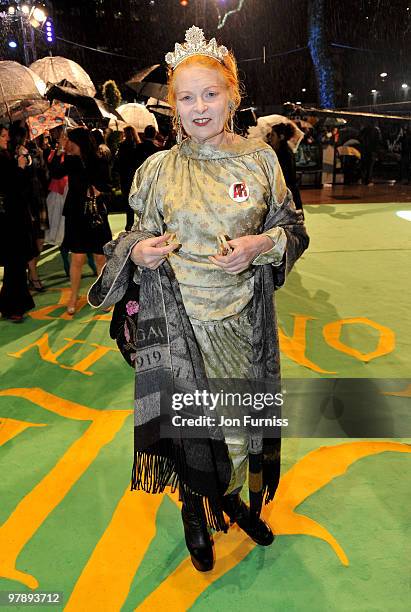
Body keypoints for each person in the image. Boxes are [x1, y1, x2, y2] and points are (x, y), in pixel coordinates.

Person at [89, 26, 308, 572]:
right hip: (181, 330)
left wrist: (264, 243)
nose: (199, 106)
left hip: (244, 327)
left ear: (232, 97)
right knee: (191, 431)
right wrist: (139, 252)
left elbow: (293, 227)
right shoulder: (157, 171)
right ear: (173, 107)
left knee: (237, 432)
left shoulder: (261, 163)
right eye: (185, 97)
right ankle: (196, 509)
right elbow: (131, 236)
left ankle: (229, 497)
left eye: (210, 93)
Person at [50, 128, 112, 314]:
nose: (67, 143)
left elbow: (108, 185)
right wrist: (60, 150)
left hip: (95, 213)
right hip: (76, 214)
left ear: (79, 142)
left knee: (100, 257)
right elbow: (55, 173)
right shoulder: (70, 160)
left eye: (69, 141)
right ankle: (73, 296)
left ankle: (103, 296)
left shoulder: (98, 158)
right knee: (77, 257)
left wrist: (100, 191)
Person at [0, 125, 36, 322]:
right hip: (11, 218)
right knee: (16, 261)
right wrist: (20, 168)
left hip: (10, 217)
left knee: (14, 262)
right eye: (3, 136)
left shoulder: (6, 156)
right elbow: (14, 187)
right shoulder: (2, 158)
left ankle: (9, 304)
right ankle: (15, 306)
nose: (6, 139)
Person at [268, 122, 303, 210]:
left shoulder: (284, 154)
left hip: (286, 195)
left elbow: (285, 178)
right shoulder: (279, 151)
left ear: (281, 137)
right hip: (286, 194)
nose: (270, 138)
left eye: (273, 135)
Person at [114, 125, 141, 230]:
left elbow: (118, 162)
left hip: (125, 175)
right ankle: (138, 222)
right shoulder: (137, 145)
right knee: (137, 199)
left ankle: (129, 223)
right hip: (135, 175)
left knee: (127, 200)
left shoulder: (122, 146)